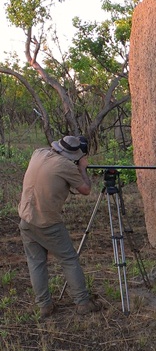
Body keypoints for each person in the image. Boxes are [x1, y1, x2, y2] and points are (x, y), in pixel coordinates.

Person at [18, 135, 100, 319]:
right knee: (69, 259)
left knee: (36, 263)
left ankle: (44, 306)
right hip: (47, 223)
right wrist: (82, 168)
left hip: (26, 218)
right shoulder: (67, 166)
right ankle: (82, 303)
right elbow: (86, 189)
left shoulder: (38, 153)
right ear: (74, 155)